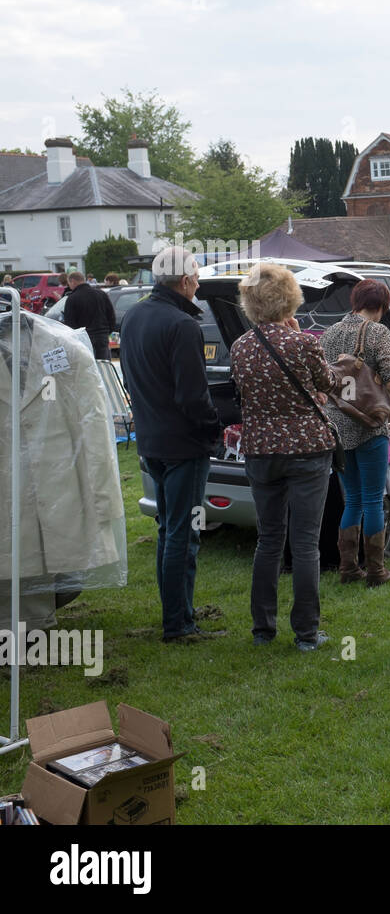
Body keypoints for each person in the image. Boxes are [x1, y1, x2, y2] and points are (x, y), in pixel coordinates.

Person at [228, 263, 338, 651]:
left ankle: (263, 630)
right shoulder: (304, 342)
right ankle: (306, 633)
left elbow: (247, 393)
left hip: (261, 450)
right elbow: (331, 383)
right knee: (305, 543)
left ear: (250, 303)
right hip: (307, 449)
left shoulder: (239, 347)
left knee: (268, 540)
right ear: (290, 298)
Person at [118, 247, 223, 644]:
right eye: (196, 279)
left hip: (151, 440)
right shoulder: (182, 325)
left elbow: (133, 379)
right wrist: (215, 429)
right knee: (184, 533)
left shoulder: (134, 316)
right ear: (183, 282)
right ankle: (178, 623)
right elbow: (193, 398)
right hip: (183, 445)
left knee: (169, 529)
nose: (198, 286)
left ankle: (175, 615)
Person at [320, 279, 390, 586]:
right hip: (369, 427)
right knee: (372, 499)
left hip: (338, 426)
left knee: (351, 499)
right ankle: (377, 572)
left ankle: (348, 568)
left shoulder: (330, 333)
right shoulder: (378, 332)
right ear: (381, 306)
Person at [61, 270, 117, 360]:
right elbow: (111, 316)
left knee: (88, 367)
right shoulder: (101, 294)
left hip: (83, 338)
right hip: (102, 336)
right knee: (103, 364)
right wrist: (107, 331)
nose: (69, 286)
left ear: (73, 281)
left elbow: (70, 323)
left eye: (69, 283)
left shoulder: (72, 298)